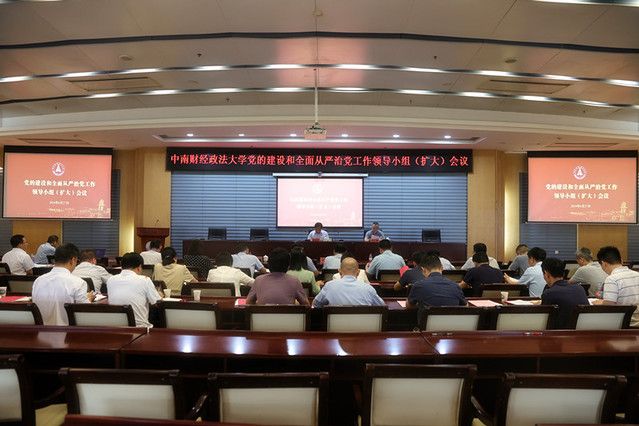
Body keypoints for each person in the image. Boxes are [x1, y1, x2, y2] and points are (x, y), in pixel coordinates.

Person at [32, 243, 93, 325]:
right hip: (67, 331)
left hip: (41, 331)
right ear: (73, 260)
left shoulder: (38, 281)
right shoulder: (78, 283)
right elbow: (83, 312)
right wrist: (88, 300)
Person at [107, 252, 162, 328]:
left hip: (116, 328)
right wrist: (159, 295)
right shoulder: (144, 280)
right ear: (139, 267)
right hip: (140, 329)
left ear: (121, 266)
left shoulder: (110, 280)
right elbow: (157, 303)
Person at [594, 246, 639, 327]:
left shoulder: (612, 279)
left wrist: (601, 303)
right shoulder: (637, 274)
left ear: (604, 264)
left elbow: (609, 308)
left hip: (625, 324)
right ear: (621, 261)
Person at [313, 257, 384, 307]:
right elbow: (382, 306)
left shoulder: (329, 286)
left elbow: (316, 304)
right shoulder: (368, 289)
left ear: (339, 271)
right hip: (362, 324)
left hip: (336, 324)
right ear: (358, 272)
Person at [541, 257, 588, 329]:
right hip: (582, 332)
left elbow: (544, 319)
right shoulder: (579, 288)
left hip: (558, 333)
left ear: (546, 274)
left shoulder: (549, 293)